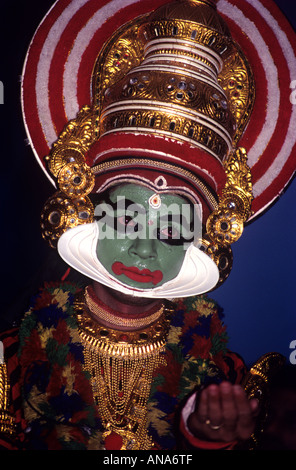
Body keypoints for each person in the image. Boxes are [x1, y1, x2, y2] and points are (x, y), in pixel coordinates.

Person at [0, 0, 294, 451]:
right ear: (86, 211)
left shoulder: (225, 379)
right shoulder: (10, 361)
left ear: (203, 239)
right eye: (125, 217)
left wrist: (206, 437)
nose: (143, 250)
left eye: (173, 228)